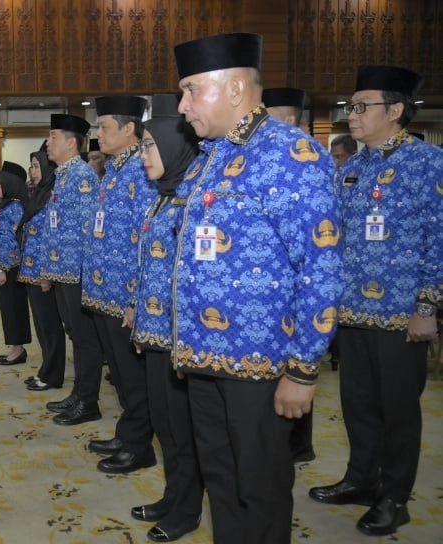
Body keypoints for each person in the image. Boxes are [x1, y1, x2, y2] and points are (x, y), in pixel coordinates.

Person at [171, 33, 342, 544]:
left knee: (262, 484)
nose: (183, 105)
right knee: (220, 477)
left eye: (191, 90)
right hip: (202, 356)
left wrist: (304, 369)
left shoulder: (294, 155)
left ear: (237, 88)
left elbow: (321, 267)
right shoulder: (209, 160)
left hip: (261, 363)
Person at [309, 65, 443, 537]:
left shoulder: (428, 164)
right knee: (358, 404)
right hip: (352, 311)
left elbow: (439, 236)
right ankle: (361, 479)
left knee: (399, 412)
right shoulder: (354, 166)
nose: (353, 114)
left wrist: (427, 306)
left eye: (363, 106)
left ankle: (395, 497)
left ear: (397, 110)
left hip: (401, 314)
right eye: (351, 105)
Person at [130, 94, 204, 543]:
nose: (143, 156)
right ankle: (174, 493)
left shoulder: (191, 202)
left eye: (149, 147)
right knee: (166, 423)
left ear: (176, 149)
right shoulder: (162, 198)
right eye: (141, 147)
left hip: (181, 339)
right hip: (155, 333)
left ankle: (188, 507)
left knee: (184, 427)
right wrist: (141, 320)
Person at [82, 94, 157, 475]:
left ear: (130, 129)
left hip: (124, 294)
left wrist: (136, 298)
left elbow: (145, 239)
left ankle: (139, 445)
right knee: (122, 374)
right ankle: (128, 432)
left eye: (105, 127)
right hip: (103, 291)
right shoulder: (113, 169)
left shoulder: (141, 171)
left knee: (133, 376)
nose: (98, 134)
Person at [263, 86, 318, 464]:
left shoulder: (308, 161)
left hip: (305, 289)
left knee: (297, 373)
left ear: (289, 119)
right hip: (277, 297)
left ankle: (298, 446)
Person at [39, 114, 104, 425]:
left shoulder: (82, 176)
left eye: (53, 136)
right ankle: (79, 394)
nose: (48, 143)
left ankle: (88, 401)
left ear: (70, 142)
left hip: (77, 272)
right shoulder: (63, 175)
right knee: (76, 335)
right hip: (63, 271)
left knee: (85, 337)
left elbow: (89, 229)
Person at [18, 146, 67, 392]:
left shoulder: (52, 196)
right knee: (41, 325)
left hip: (43, 273)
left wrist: (47, 272)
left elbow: (52, 237)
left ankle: (52, 375)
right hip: (31, 271)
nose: (32, 172)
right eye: (31, 167)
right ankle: (46, 370)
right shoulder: (38, 195)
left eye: (36, 167)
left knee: (50, 325)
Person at [0, 161, 31, 365]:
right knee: (8, 309)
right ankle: (15, 347)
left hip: (11, 267)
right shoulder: (6, 206)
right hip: (4, 266)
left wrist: (3, 268)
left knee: (14, 309)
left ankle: (18, 349)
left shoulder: (15, 208)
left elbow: (10, 241)